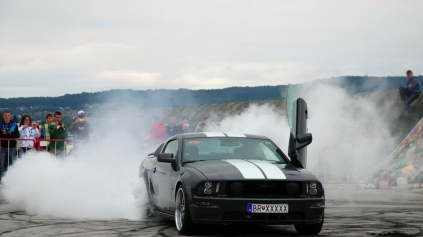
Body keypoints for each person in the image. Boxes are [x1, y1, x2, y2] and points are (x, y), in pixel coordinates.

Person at [0, 110, 20, 181]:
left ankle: (13, 180)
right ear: (3, 116)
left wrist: (9, 133)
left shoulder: (14, 124)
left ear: (10, 116)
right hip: (3, 146)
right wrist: (3, 133)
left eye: (8, 115)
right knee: (2, 165)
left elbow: (17, 135)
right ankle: (2, 180)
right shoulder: (0, 124)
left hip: (12, 147)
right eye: (5, 115)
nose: (7, 117)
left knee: (12, 164)